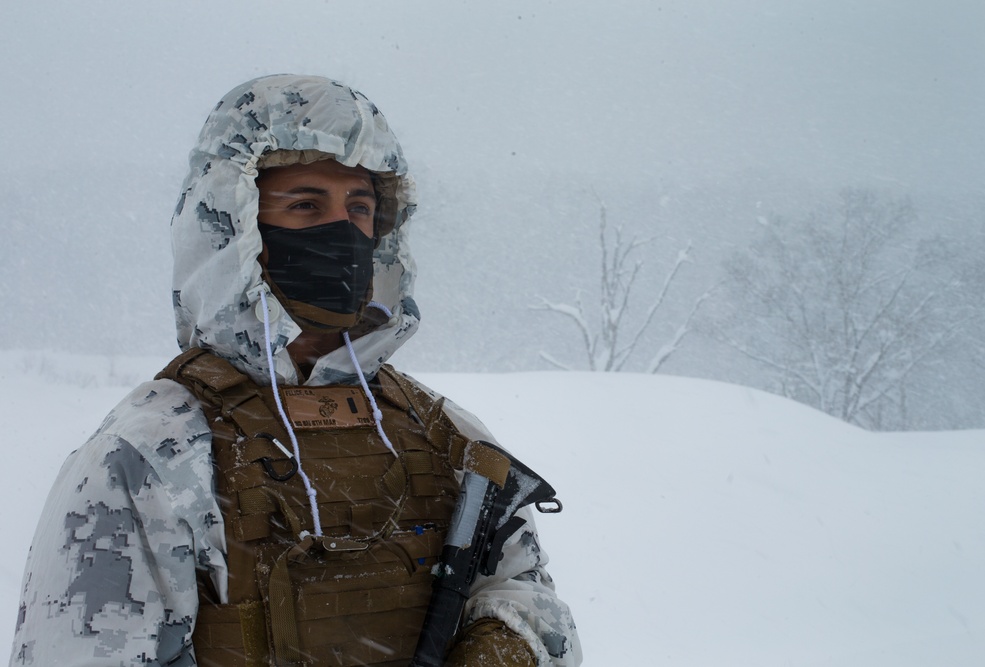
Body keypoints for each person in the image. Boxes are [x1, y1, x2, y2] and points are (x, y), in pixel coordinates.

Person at [10, 74, 581, 667]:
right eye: (305, 204)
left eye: (359, 207)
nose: (342, 230)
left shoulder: (443, 434)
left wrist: (506, 643)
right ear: (237, 224)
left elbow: (524, 593)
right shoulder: (153, 451)